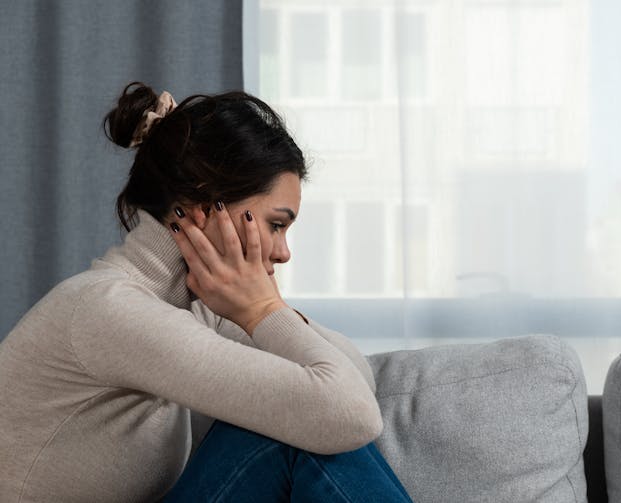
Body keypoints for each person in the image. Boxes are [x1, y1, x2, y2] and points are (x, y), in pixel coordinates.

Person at [0, 82, 413, 503]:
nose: (284, 252)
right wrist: (261, 309)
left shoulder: (195, 308)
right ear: (203, 206)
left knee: (303, 416)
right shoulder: (109, 310)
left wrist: (265, 308)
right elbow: (349, 414)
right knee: (291, 431)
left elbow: (356, 384)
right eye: (276, 225)